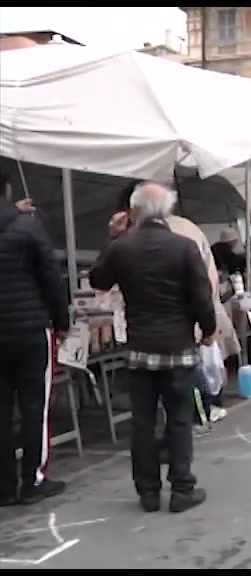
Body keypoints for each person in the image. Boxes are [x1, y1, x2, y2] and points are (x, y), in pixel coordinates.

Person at [90, 183, 213, 513]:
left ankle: (147, 491)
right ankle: (181, 489)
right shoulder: (184, 247)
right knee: (179, 419)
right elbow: (201, 297)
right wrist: (209, 331)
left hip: (140, 347)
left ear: (133, 212)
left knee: (143, 421)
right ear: (167, 211)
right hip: (178, 345)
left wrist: (113, 237)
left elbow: (98, 280)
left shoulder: (123, 248)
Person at [0, 172, 70, 507]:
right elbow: (51, 278)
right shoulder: (27, 226)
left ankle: (4, 485)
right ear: (8, 188)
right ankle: (32, 479)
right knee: (34, 406)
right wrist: (62, 320)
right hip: (30, 330)